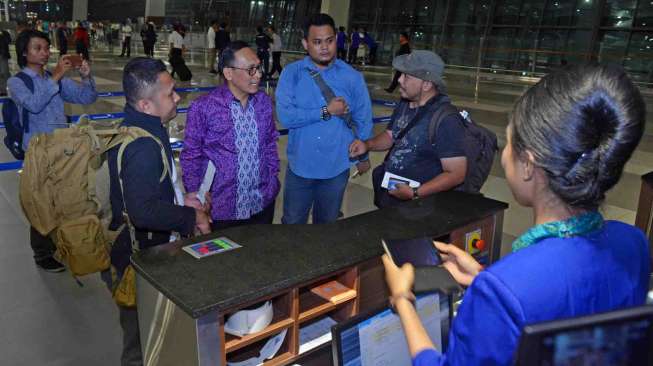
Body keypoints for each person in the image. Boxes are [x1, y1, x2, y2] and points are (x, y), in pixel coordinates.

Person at [382, 64, 650, 365]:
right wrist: (483, 279)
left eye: (508, 143)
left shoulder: (504, 291)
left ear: (528, 165)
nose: (503, 154)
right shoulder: (633, 242)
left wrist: (403, 299)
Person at [104, 57, 211, 366]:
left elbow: (151, 191)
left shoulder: (144, 127)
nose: (178, 97)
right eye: (169, 94)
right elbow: (143, 211)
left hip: (144, 245)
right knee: (140, 339)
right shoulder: (144, 147)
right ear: (146, 104)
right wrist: (193, 217)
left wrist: (180, 202)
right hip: (137, 256)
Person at [8, 29, 97, 272]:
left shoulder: (54, 78)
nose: (45, 53)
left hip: (62, 147)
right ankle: (42, 252)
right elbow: (34, 105)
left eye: (46, 48)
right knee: (40, 200)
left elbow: (87, 96)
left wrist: (87, 77)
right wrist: (56, 76)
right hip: (37, 151)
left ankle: (61, 244)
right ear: (24, 52)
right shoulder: (17, 82)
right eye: (38, 48)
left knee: (63, 198)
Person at [275, 13, 372, 224]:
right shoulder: (292, 74)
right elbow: (286, 117)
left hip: (336, 168)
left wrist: (363, 156)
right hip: (301, 167)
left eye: (329, 40)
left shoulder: (352, 77)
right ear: (305, 44)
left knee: (327, 228)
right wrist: (326, 111)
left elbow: (363, 118)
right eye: (317, 42)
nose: (325, 47)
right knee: (292, 224)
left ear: (336, 39)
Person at [181, 41, 280, 230]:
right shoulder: (204, 107)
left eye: (258, 68)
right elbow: (191, 154)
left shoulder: (264, 103)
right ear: (228, 73)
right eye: (251, 69)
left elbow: (269, 143)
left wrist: (273, 178)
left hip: (262, 203)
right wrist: (196, 194)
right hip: (222, 209)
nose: (258, 75)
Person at [351, 50, 466, 208]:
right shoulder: (406, 102)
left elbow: (456, 174)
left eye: (407, 76)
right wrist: (367, 145)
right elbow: (391, 135)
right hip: (393, 194)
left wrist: (416, 192)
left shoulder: (446, 119)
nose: (399, 80)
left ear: (426, 84)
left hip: (421, 206)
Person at [0, 29, 11, 95]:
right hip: (3, 55)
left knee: (4, 73)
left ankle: (4, 90)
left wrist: (4, 33)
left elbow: (9, 41)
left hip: (3, 55)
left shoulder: (4, 33)